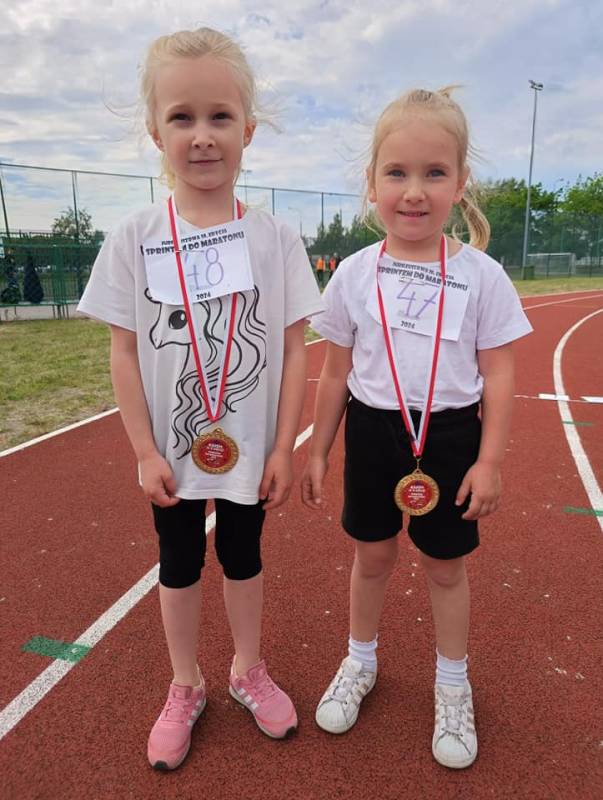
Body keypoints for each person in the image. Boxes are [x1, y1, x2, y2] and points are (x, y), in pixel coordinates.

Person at [78, 27, 322, 770]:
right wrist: (144, 450)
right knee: (178, 560)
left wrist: (283, 446)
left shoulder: (276, 239)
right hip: (172, 450)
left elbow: (294, 349)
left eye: (220, 116)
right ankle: (184, 682)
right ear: (156, 132)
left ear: (248, 128)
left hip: (249, 445)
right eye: (182, 117)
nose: (202, 135)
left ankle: (247, 668)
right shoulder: (135, 236)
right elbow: (124, 352)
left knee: (243, 555)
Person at [302, 87, 532, 769]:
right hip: (374, 434)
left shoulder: (482, 276)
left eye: (434, 173)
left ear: (460, 184)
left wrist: (488, 461)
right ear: (371, 183)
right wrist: (317, 450)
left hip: (451, 437)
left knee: (444, 567)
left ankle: (452, 683)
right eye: (396, 172)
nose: (413, 191)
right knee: (371, 557)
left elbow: (499, 375)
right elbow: (334, 372)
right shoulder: (353, 274)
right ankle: (360, 660)